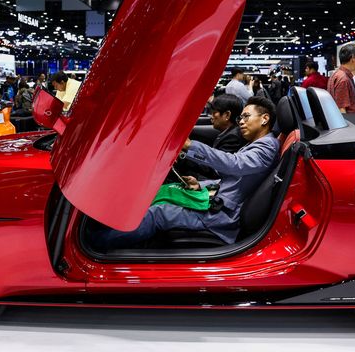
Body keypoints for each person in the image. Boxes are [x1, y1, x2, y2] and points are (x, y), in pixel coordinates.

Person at [93, 96, 280, 250]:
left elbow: (235, 164)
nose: (241, 122)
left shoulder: (267, 147)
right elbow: (234, 178)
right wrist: (201, 185)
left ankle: (97, 245)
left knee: (158, 212)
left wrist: (191, 145)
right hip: (216, 203)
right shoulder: (258, 144)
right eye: (240, 118)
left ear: (264, 119)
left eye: (246, 117)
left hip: (220, 217)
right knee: (161, 196)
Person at [177, 93, 247, 179]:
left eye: (214, 113)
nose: (211, 117)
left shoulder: (233, 137)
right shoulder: (230, 133)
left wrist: (182, 156)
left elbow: (215, 170)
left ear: (227, 115)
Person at [327, 43, 355, 114]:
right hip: (352, 122)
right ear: (352, 58)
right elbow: (342, 110)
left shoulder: (337, 74)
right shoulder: (344, 79)